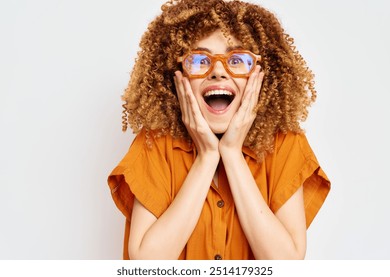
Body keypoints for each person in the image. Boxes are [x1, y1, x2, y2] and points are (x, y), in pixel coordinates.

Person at [108, 0, 330, 260]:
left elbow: (286, 265)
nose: (218, 72)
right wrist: (207, 157)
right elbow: (147, 265)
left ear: (260, 76)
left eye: (236, 59)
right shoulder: (154, 144)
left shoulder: (285, 144)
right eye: (200, 60)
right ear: (177, 76)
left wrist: (232, 153)